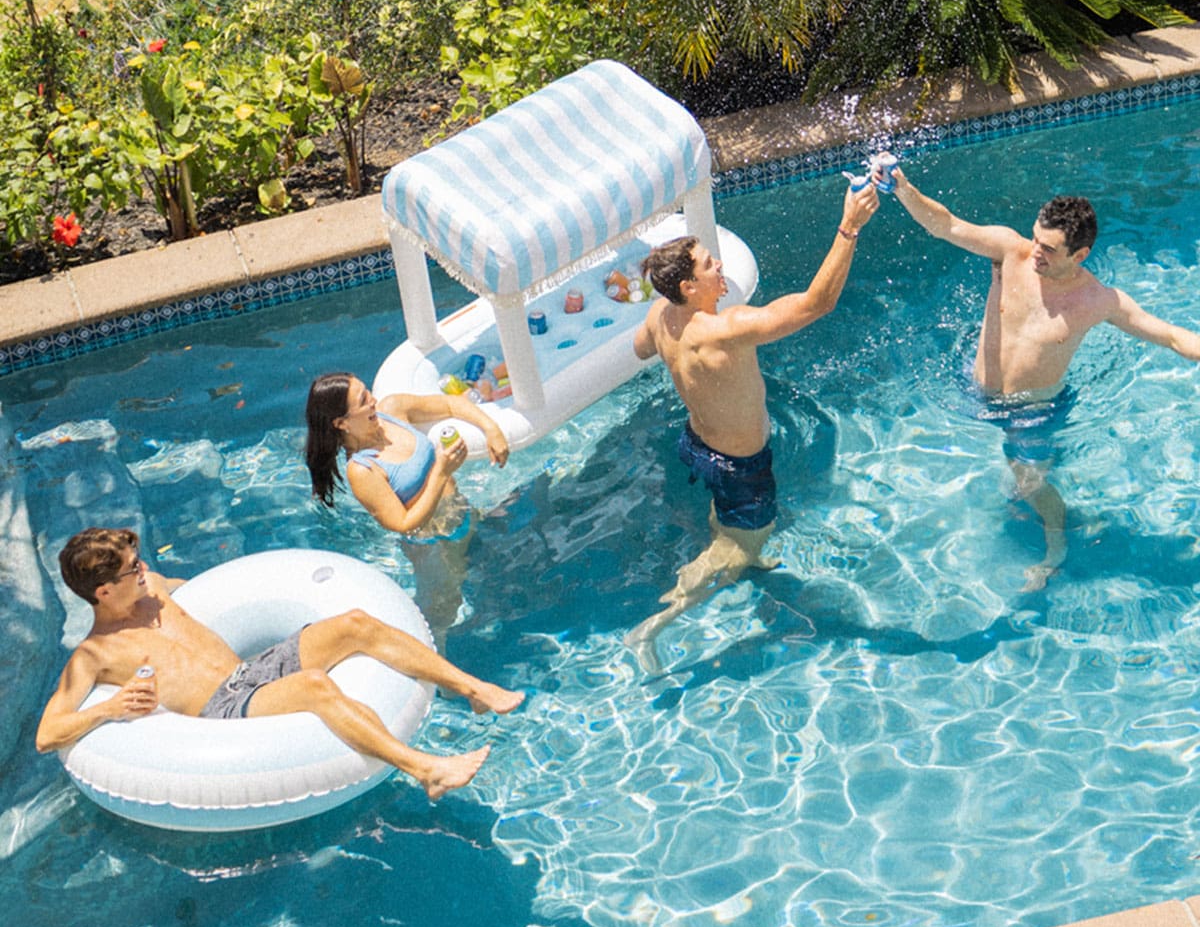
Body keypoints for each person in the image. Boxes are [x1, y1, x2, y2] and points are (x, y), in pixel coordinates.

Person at [36, 527, 524, 801]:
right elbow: (47, 734)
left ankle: (475, 689)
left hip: (253, 670)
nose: (143, 568)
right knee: (314, 685)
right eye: (133, 568)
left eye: (139, 560)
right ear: (103, 592)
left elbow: (212, 593)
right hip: (221, 711)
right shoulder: (94, 654)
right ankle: (426, 770)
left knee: (354, 622)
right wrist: (110, 707)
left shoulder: (156, 589)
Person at [889, 171, 1200, 586]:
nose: (1035, 252)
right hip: (974, 391)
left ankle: (1056, 549)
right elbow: (943, 224)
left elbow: (1172, 336)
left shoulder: (1098, 301)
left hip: (1035, 411)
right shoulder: (1009, 253)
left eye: (1049, 249)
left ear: (1080, 255)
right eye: (1036, 238)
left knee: (1029, 485)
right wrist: (902, 189)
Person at [626, 180, 879, 668]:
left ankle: (738, 540)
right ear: (688, 287)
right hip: (741, 468)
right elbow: (816, 304)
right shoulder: (726, 329)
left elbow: (640, 348)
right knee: (732, 553)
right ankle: (653, 626)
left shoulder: (662, 314)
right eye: (707, 264)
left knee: (732, 527)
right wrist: (850, 227)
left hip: (697, 445)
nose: (719, 264)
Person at [305, 373, 510, 642]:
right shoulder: (362, 470)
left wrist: (491, 428)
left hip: (462, 513)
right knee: (441, 618)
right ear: (342, 423)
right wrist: (440, 471)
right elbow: (404, 523)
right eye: (363, 400)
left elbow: (450, 404)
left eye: (368, 393)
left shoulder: (392, 410)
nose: (373, 401)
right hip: (435, 547)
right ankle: (438, 678)